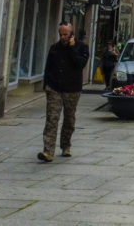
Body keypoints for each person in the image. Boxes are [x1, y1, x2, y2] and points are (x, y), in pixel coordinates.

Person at [39, 22, 90, 162]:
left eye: (65, 34)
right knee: (52, 119)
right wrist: (46, 85)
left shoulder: (82, 47)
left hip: (72, 89)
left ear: (72, 34)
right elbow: (48, 67)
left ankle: (66, 146)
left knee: (69, 119)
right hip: (54, 88)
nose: (62, 37)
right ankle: (48, 151)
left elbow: (81, 64)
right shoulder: (54, 48)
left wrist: (72, 48)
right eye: (60, 34)